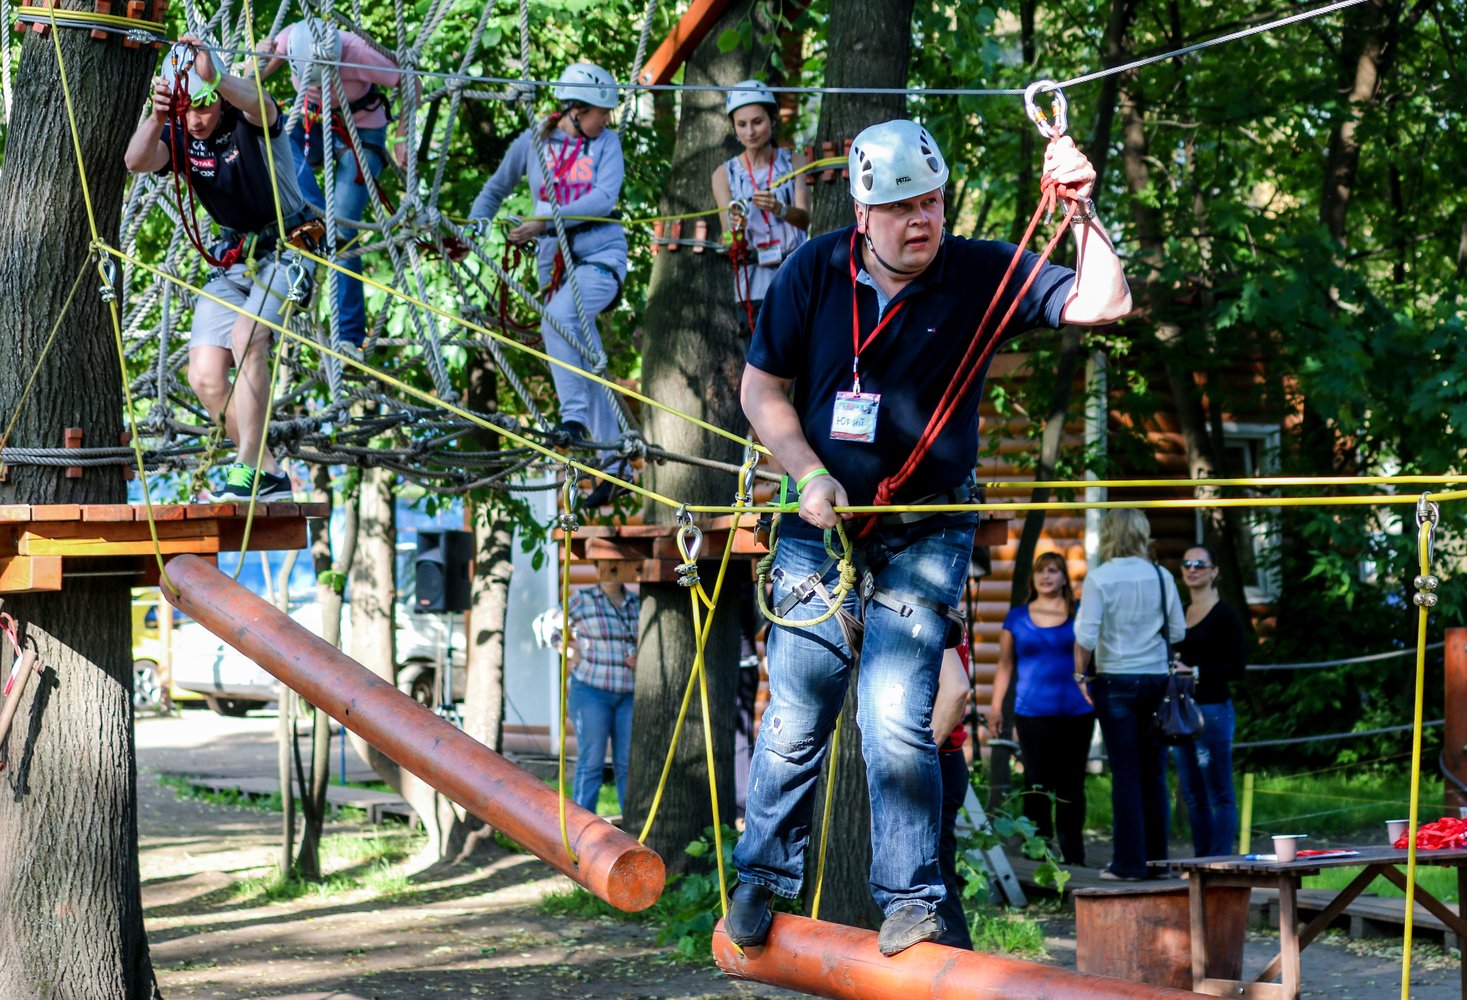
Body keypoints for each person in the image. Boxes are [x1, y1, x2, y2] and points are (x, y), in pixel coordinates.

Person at [730, 118, 1130, 955]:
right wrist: (805, 472)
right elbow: (761, 389)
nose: (923, 220)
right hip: (819, 524)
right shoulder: (812, 269)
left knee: (894, 714)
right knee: (795, 711)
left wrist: (1085, 211)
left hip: (928, 527)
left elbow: (1104, 303)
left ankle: (909, 900)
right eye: (904, 207)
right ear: (863, 211)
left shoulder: (978, 271)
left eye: (935, 202)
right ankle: (761, 882)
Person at [125, 38, 321, 502]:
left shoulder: (247, 119)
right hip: (235, 256)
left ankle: (246, 468)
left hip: (288, 246)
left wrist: (216, 80)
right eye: (186, 107)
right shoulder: (177, 131)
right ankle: (269, 473)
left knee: (248, 337)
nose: (197, 118)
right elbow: (135, 161)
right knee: (206, 377)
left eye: (205, 105)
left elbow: (260, 101)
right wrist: (156, 117)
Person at [469, 62, 628, 507]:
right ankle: (616, 464)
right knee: (586, 359)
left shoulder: (606, 144)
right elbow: (495, 189)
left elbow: (603, 198)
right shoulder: (533, 144)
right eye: (600, 112)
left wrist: (541, 222)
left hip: (599, 258)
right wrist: (474, 231)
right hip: (553, 266)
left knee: (558, 319)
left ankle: (572, 420)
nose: (606, 120)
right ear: (574, 110)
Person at [260, 18, 410, 349]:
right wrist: (255, 59)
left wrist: (402, 135)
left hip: (362, 129)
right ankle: (312, 218)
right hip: (310, 121)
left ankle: (349, 336)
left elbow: (410, 80)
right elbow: (256, 77)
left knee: (341, 233)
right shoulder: (288, 40)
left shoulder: (358, 53)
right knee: (271, 148)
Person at [1072, 509, 1185, 881]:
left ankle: (1129, 864)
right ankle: (1158, 862)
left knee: (1126, 773)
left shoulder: (1101, 577)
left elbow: (1086, 636)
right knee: (1154, 772)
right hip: (1156, 681)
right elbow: (1179, 631)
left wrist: (1078, 674)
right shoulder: (1161, 575)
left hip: (1116, 681)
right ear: (1141, 533)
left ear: (1109, 534)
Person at [989, 552, 1093, 866]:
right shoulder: (1017, 617)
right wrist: (996, 708)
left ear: (1064, 577)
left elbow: (1095, 659)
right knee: (1036, 782)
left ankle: (1074, 854)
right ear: (1033, 579)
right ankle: (1039, 851)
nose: (1046, 576)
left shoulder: (1080, 614)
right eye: (1040, 571)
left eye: (1053, 570)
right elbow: (1005, 665)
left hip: (1077, 713)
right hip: (1031, 713)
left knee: (1071, 784)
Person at [710, 80, 809, 335]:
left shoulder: (795, 161)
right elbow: (728, 237)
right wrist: (735, 227)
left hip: (794, 277)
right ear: (733, 127)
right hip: (752, 284)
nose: (750, 132)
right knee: (759, 363)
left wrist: (780, 209)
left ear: (772, 119)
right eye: (741, 124)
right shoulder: (724, 174)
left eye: (757, 121)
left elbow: (806, 220)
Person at [1173, 544, 1247, 856]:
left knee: (1219, 792)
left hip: (1213, 709)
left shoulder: (1225, 615)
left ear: (1214, 571)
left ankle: (1221, 863)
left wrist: (1196, 671)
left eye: (1200, 565)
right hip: (1179, 711)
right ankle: (1201, 863)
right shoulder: (1179, 613)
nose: (1193, 569)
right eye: (1187, 563)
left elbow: (1237, 667)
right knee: (1192, 792)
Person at [557, 558, 639, 814]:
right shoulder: (583, 599)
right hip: (592, 692)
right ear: (597, 568)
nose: (612, 571)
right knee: (591, 762)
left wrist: (640, 657)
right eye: (606, 565)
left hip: (628, 694)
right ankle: (581, 830)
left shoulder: (636, 603)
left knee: (626, 764)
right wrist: (570, 653)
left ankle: (631, 831)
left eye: (617, 565)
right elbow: (546, 625)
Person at [931, 644, 975, 950]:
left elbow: (957, 689)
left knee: (935, 878)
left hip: (940, 759)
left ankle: (958, 965)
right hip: (945, 760)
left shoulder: (938, 612)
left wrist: (919, 754)